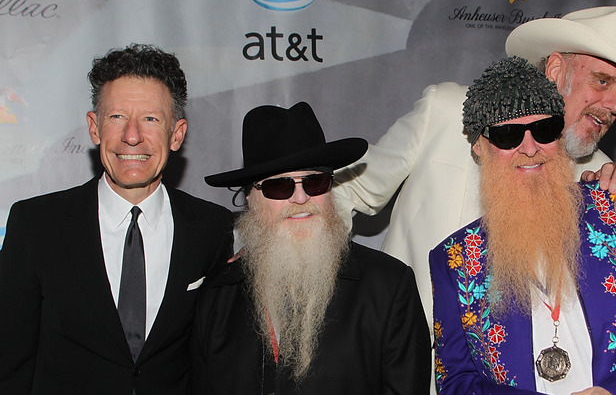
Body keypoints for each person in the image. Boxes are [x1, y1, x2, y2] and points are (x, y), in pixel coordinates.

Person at [333, 6, 616, 330]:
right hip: (407, 366)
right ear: (556, 70)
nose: (615, 105)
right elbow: (345, 193)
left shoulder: (601, 176)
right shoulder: (447, 113)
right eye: (602, 81)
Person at [430, 56, 616, 394]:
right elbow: (455, 381)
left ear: (561, 136)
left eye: (544, 130)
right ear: (479, 147)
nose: (530, 148)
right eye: (507, 135)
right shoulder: (454, 259)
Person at [0, 44, 234, 394]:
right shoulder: (36, 225)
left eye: (151, 119)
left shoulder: (210, 228)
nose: (132, 135)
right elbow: (10, 362)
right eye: (117, 117)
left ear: (177, 134)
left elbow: (212, 361)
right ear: (94, 128)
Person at [192, 102, 431, 394]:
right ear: (250, 200)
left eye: (315, 182)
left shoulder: (388, 287)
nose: (301, 197)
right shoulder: (217, 296)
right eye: (279, 186)